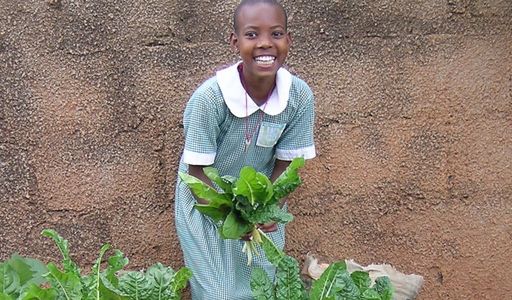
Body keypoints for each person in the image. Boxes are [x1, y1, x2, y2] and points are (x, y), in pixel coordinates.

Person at [174, 0, 316, 298]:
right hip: (206, 202)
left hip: (260, 202)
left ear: (288, 40)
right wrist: (233, 219)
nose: (265, 43)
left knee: (260, 289)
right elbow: (196, 172)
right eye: (252, 35)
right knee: (219, 293)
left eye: (276, 34)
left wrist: (268, 208)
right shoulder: (210, 99)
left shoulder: (299, 97)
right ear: (235, 41)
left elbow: (289, 166)